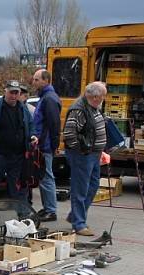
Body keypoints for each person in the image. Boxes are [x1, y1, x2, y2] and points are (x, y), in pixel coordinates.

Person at [0, 81, 35, 219]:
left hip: (18, 155)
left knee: (18, 186)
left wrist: (33, 136)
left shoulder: (23, 109)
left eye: (16, 92)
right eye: (11, 92)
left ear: (20, 94)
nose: (13, 95)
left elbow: (31, 125)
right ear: (5, 91)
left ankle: (23, 215)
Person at [62, 81, 108, 235]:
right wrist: (82, 151)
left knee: (93, 186)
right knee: (80, 189)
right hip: (83, 156)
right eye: (102, 97)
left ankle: (75, 216)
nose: (103, 100)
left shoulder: (93, 107)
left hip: (93, 154)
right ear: (94, 97)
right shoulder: (79, 110)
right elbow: (69, 135)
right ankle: (79, 224)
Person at [31, 69, 61, 221]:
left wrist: (53, 144)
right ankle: (47, 207)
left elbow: (54, 124)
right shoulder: (45, 97)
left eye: (36, 80)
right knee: (43, 177)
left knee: (47, 176)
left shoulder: (49, 99)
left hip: (45, 145)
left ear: (45, 80)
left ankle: (51, 210)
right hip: (43, 144)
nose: (33, 82)